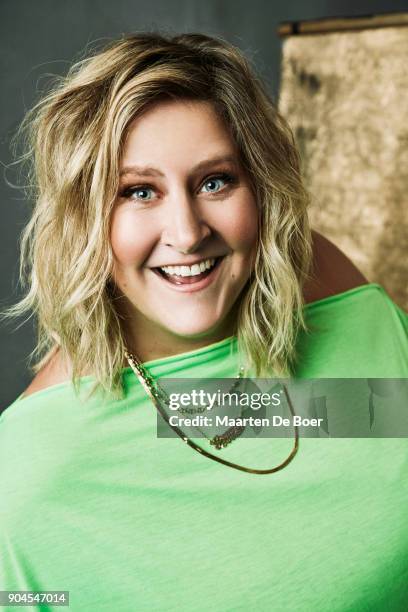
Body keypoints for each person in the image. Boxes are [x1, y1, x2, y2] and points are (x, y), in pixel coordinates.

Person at [0, 32, 407, 611]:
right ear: (84, 218)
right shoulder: (30, 480)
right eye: (139, 192)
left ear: (262, 189)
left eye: (215, 181)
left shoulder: (322, 279)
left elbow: (369, 422)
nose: (188, 233)